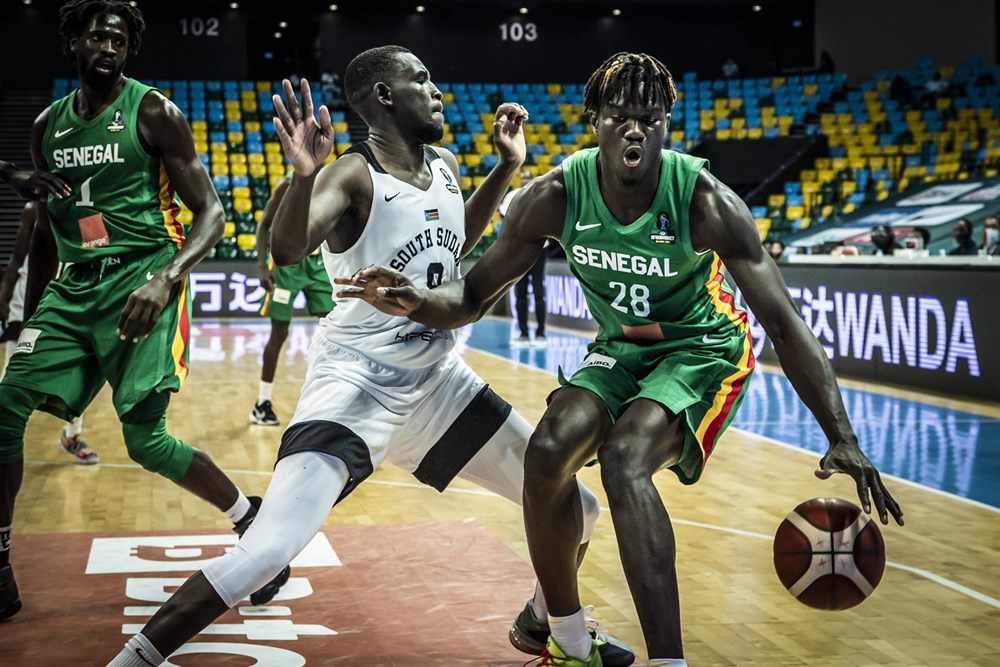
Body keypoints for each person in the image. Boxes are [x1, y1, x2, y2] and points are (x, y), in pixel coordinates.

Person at [337, 51, 905, 667]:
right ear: (595, 121)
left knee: (624, 458)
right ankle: (556, 626)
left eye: (650, 118)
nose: (635, 129)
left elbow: (786, 326)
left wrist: (840, 435)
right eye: (619, 117)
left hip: (701, 349)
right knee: (548, 450)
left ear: (665, 124)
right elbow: (473, 294)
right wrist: (416, 299)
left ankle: (669, 660)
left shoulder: (705, 200)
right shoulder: (555, 195)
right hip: (620, 347)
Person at [106, 47, 634, 667]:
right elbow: (290, 246)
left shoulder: (441, 163)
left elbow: (453, 240)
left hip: (437, 383)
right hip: (357, 384)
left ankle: (541, 625)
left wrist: (505, 169)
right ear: (384, 96)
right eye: (422, 79)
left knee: (578, 506)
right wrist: (305, 176)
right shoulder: (352, 174)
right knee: (269, 549)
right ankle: (135, 659)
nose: (437, 90)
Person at [0, 0, 285, 623]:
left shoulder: (153, 110)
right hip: (73, 288)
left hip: (143, 278)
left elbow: (212, 212)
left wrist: (167, 279)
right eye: (98, 37)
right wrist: (29, 311)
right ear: (73, 43)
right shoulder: (47, 125)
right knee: (3, 406)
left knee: (145, 443)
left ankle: (252, 523)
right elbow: (50, 228)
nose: (109, 47)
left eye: (120, 41)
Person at [0, 202, 97, 463]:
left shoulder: (91, 206)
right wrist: (4, 296)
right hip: (27, 301)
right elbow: (18, 257)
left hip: (67, 302)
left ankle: (72, 437)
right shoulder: (34, 209)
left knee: (77, 374)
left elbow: (95, 250)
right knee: (11, 378)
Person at [250, 175, 334, 426]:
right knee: (279, 332)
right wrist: (262, 267)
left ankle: (329, 401)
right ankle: (262, 404)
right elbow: (264, 224)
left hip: (317, 264)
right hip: (286, 265)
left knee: (333, 330)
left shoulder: (331, 182)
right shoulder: (286, 186)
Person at [502, 169, 548, 348]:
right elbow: (505, 219)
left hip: (539, 249)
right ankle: (523, 333)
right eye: (524, 179)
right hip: (518, 250)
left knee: (538, 292)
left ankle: (541, 333)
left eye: (529, 179)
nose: (526, 182)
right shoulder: (512, 197)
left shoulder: (544, 197)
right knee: (520, 293)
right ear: (520, 181)